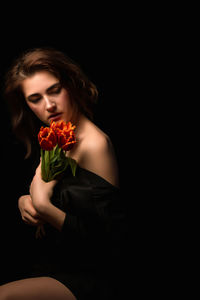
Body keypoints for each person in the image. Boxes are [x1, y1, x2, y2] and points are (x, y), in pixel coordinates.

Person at [0, 47, 126, 300]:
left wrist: (44, 207)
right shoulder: (58, 135)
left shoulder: (95, 145)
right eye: (35, 98)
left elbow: (107, 242)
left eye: (54, 90)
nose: (49, 106)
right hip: (52, 261)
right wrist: (24, 201)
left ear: (71, 85)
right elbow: (56, 194)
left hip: (93, 275)